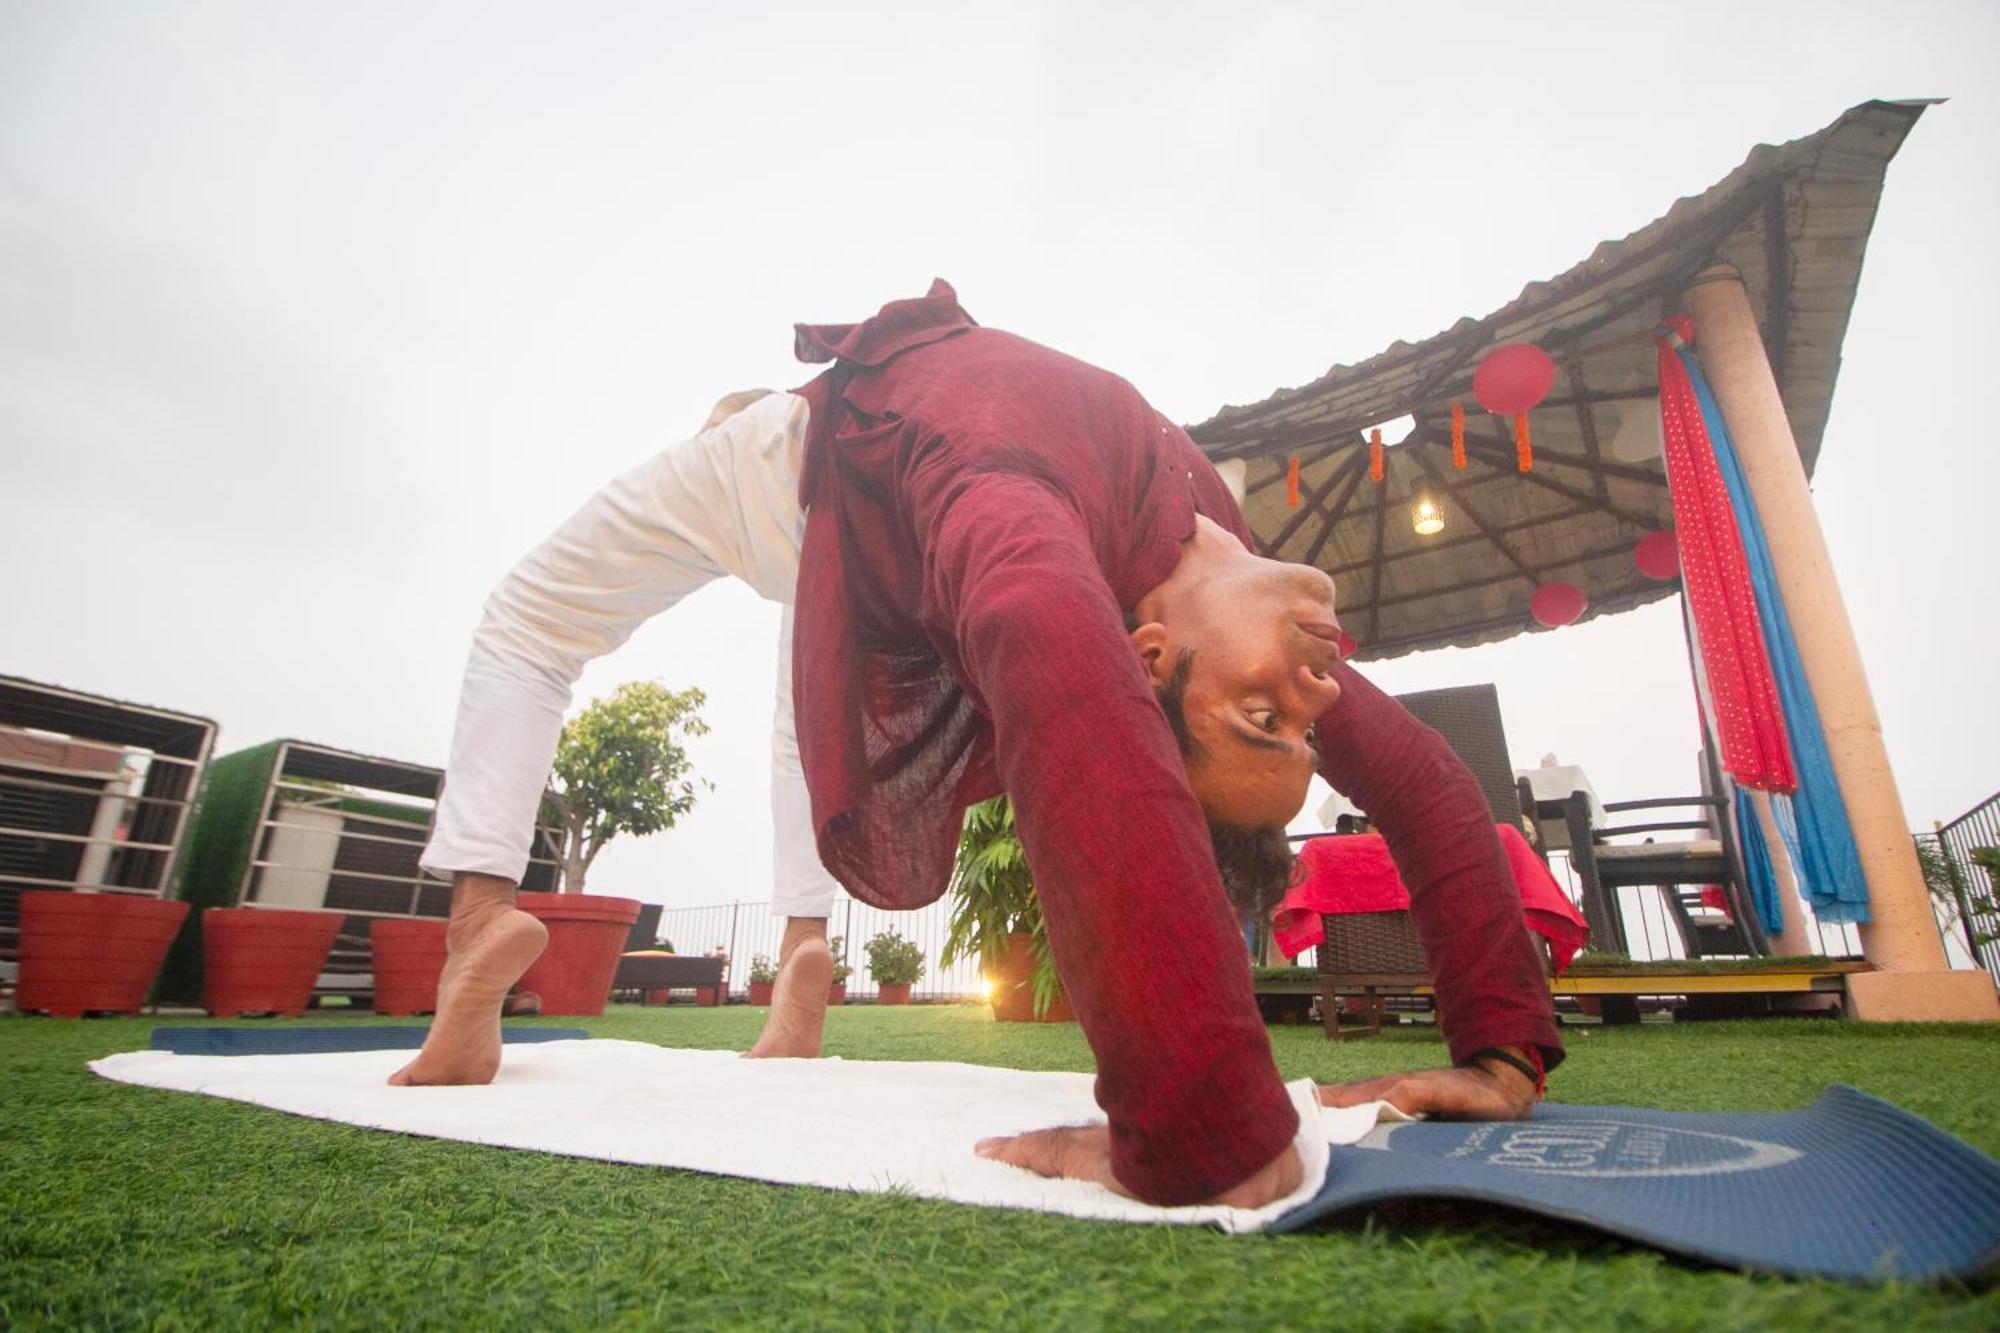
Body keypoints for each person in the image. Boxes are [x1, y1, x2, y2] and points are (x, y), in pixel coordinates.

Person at [398, 281, 1562, 1209]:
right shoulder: (1215, 569)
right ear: (1147, 654)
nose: (1314, 694)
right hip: (846, 480)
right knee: (805, 705)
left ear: (1147, 655)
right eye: (1293, 723)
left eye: (1273, 724)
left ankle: (476, 928)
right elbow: (1413, 770)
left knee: (532, 620)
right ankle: (798, 966)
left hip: (818, 476)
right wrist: (1502, 1048)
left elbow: (1035, 627)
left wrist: (1196, 1127)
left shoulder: (1028, 517)